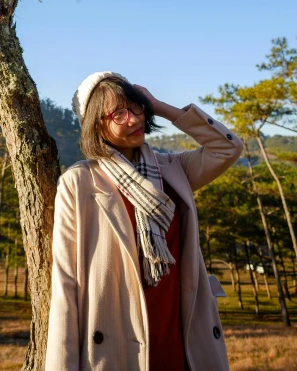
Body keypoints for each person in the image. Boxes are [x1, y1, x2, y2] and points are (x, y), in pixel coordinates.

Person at [45, 71, 244, 371]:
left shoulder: (173, 169)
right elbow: (66, 282)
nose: (134, 119)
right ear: (96, 124)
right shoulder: (80, 182)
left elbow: (228, 148)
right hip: (119, 344)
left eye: (136, 106)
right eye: (118, 113)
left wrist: (160, 106)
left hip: (182, 337)